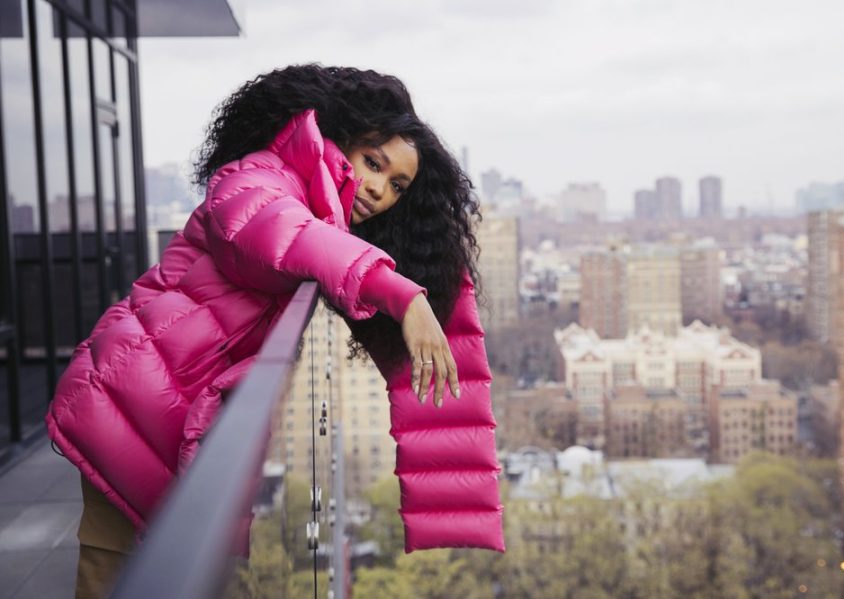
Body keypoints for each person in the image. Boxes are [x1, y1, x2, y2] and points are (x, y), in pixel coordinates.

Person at [45, 64, 504, 598]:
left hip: (164, 405)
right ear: (340, 141)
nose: (378, 188)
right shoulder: (264, 177)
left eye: (397, 184)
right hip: (128, 396)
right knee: (112, 573)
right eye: (372, 163)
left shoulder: (324, 218)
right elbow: (278, 231)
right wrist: (402, 296)